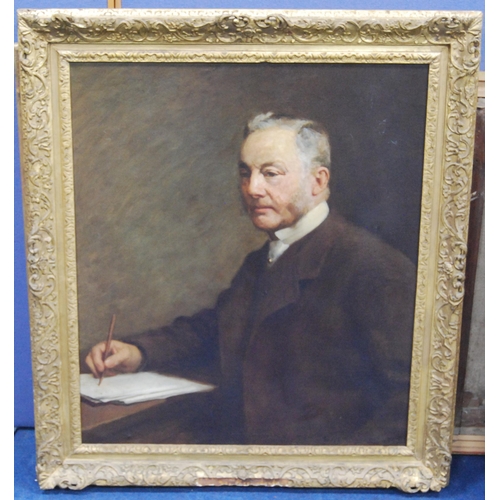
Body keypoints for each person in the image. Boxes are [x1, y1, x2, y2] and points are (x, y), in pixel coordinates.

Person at [85, 112, 416, 446]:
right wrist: (138, 352)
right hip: (242, 438)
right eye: (246, 173)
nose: (252, 188)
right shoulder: (265, 258)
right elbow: (217, 328)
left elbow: (409, 404)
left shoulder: (373, 268)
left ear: (318, 181)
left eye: (270, 174)